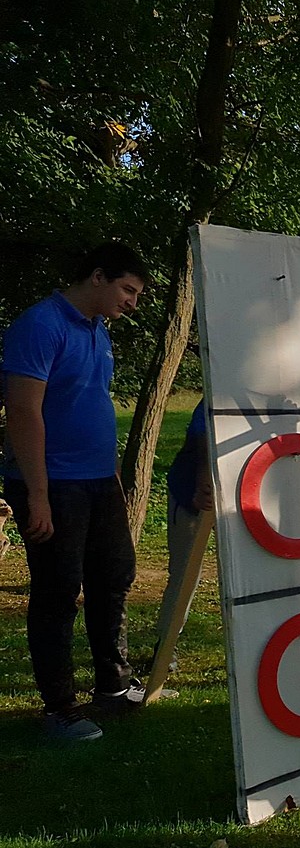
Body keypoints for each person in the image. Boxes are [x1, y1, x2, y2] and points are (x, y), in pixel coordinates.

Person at [2, 242, 148, 742]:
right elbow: (23, 412)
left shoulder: (98, 330)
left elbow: (92, 404)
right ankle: (59, 709)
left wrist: (110, 479)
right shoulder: (40, 325)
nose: (132, 303)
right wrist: (37, 496)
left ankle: (113, 685)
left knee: (114, 576)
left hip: (96, 482)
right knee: (58, 592)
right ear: (97, 276)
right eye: (127, 290)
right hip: (51, 484)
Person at [150, 398, 215, 675]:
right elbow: (202, 433)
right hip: (192, 492)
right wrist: (204, 480)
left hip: (245, 490)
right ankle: (165, 650)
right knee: (185, 574)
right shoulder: (218, 386)